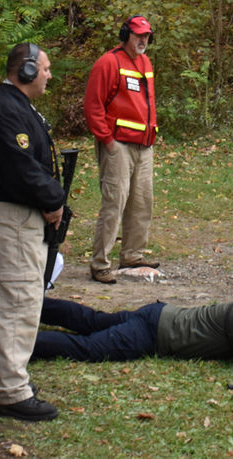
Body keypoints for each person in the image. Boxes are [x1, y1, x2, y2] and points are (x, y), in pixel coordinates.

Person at [0, 43, 64, 421]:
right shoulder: (7, 111)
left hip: (13, 215)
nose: (48, 75)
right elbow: (22, 168)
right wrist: (53, 198)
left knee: (2, 299)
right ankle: (12, 390)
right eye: (45, 68)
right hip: (14, 218)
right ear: (25, 71)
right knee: (17, 301)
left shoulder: (10, 106)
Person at [33, 275, 233, 374]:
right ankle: (14, 342)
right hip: (154, 333)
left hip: (158, 315)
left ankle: (31, 306)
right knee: (89, 347)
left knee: (93, 321)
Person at [83, 15, 159, 284]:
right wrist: (108, 141)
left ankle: (132, 255)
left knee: (141, 203)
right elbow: (93, 107)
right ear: (125, 34)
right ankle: (100, 263)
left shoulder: (146, 63)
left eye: (146, 36)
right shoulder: (108, 63)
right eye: (138, 35)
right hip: (118, 145)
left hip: (144, 146)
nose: (143, 40)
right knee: (114, 203)